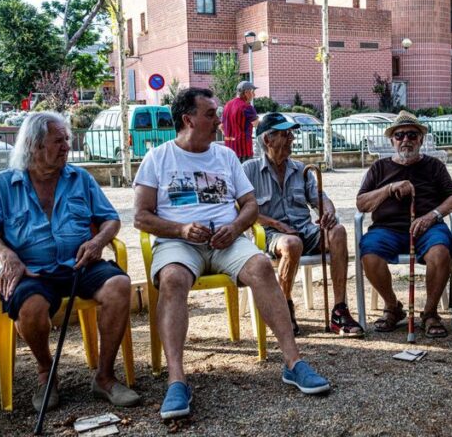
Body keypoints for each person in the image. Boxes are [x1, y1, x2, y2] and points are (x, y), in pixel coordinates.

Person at [134, 87, 330, 421]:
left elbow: (250, 204)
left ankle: (293, 362)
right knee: (173, 279)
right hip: (179, 242)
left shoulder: (225, 156)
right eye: (211, 114)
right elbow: (141, 216)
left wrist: (236, 227)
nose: (220, 122)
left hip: (228, 240)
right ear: (188, 119)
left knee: (261, 267)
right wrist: (181, 230)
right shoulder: (158, 158)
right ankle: (177, 380)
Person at [0, 112, 139, 410]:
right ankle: (46, 373)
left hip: (80, 264)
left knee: (118, 285)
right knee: (31, 310)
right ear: (34, 145)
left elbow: (110, 219)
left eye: (67, 140)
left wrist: (97, 241)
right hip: (32, 271)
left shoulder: (80, 178)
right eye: (58, 140)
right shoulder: (2, 184)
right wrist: (6, 254)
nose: (66, 146)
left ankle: (104, 377)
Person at [243, 113, 363, 337]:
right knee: (291, 244)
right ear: (267, 140)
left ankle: (339, 310)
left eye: (291, 134)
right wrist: (275, 223)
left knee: (337, 231)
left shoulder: (301, 169)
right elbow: (240, 210)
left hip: (304, 230)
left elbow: (322, 198)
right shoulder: (248, 170)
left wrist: (328, 212)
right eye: (285, 134)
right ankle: (284, 306)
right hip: (270, 234)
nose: (292, 139)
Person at [356, 111, 452, 338]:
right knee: (369, 253)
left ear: (421, 140)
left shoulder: (434, 166)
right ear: (392, 140)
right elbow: (362, 204)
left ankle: (430, 312)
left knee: (441, 252)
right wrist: (389, 188)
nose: (406, 140)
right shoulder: (379, 168)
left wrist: (432, 215)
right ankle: (393, 306)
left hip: (427, 227)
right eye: (400, 135)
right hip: (387, 229)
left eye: (412, 135)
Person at [222, 80, 259, 161]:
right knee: (245, 173)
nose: (254, 95)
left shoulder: (227, 105)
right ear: (246, 92)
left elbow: (221, 126)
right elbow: (256, 124)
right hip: (243, 150)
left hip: (228, 150)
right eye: (252, 92)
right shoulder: (246, 107)